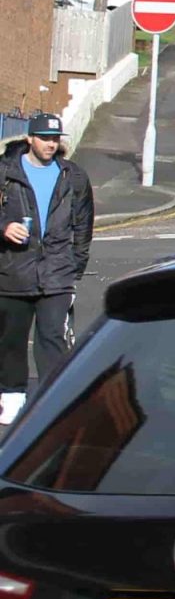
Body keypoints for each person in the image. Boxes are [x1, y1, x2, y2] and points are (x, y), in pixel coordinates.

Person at [0, 113, 94, 424]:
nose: (50, 144)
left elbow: (83, 226)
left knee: (53, 338)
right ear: (29, 138)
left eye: (55, 138)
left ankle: (52, 401)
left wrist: (75, 265)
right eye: (44, 138)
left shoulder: (74, 176)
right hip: (13, 270)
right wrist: (4, 227)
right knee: (11, 339)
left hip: (57, 273)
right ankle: (12, 395)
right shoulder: (5, 172)